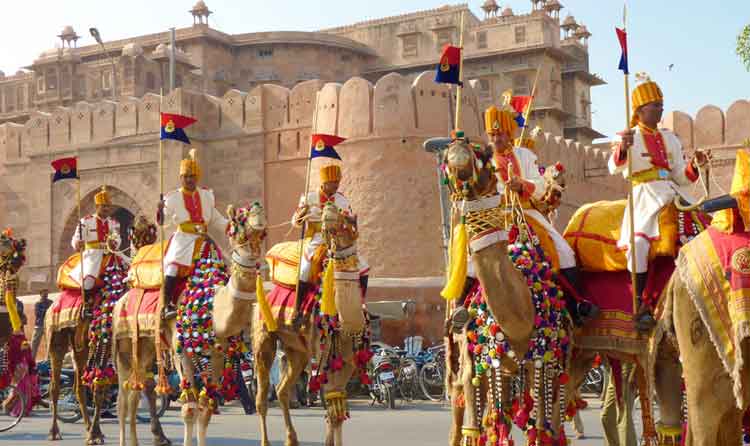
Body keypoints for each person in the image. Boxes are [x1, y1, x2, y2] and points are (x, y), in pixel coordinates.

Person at [608, 74, 709, 332]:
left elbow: (680, 177)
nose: (660, 108)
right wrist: (623, 147)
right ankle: (639, 305)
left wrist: (694, 165)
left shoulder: (671, 139)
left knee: (703, 228)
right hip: (644, 198)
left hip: (672, 193)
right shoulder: (629, 136)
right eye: (655, 104)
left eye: (662, 104)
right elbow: (613, 166)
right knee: (639, 245)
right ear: (640, 110)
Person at [486, 104, 598, 326]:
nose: (496, 139)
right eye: (492, 134)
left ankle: (576, 307)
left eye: (500, 134)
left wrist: (522, 185)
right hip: (500, 220)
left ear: (510, 134)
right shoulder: (485, 160)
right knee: (474, 262)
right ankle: (464, 312)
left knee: (564, 252)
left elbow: (539, 186)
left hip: (529, 214)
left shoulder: (525, 156)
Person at [158, 148, 228, 319]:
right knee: (173, 268)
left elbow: (216, 219)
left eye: (192, 176)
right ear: (181, 178)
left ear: (197, 177)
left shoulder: (206, 195)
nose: (189, 180)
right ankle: (167, 306)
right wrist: (160, 210)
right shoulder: (172, 198)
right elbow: (162, 221)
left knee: (220, 269)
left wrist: (233, 225)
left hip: (203, 240)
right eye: (186, 177)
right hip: (183, 240)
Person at [291, 161, 359, 326]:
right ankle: (298, 309)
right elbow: (295, 222)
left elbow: (352, 222)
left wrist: (350, 221)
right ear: (324, 183)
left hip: (338, 240)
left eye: (338, 182)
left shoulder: (341, 200)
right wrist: (302, 213)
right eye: (333, 182)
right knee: (305, 269)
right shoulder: (309, 198)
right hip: (317, 239)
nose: (336, 185)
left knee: (362, 266)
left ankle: (359, 305)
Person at [70, 186, 120, 317]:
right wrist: (77, 244)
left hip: (110, 255)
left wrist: (115, 243)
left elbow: (117, 239)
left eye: (108, 206)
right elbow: (75, 239)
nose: (106, 209)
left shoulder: (113, 223)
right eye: (103, 206)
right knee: (89, 280)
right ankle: (85, 306)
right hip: (92, 256)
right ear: (97, 206)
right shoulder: (86, 222)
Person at [600, 361, 637, 446]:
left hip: (627, 368)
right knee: (606, 417)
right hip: (613, 371)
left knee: (624, 418)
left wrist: (635, 371)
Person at [31, 289, 51, 359]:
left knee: (49, 343)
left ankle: (48, 360)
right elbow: (38, 314)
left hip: (48, 325)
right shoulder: (38, 303)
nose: (46, 294)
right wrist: (47, 310)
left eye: (47, 293)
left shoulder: (51, 302)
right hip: (39, 325)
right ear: (40, 294)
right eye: (44, 293)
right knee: (34, 343)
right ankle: (31, 359)